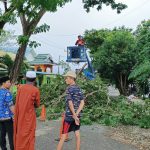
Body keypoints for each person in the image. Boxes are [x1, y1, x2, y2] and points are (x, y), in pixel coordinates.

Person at [57, 71, 85, 150]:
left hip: (69, 116)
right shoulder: (79, 89)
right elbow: (82, 103)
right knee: (77, 134)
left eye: (67, 78)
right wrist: (76, 115)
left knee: (63, 136)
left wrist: (73, 115)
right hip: (77, 116)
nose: (65, 79)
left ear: (72, 79)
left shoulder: (69, 89)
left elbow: (70, 103)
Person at [14, 71, 40, 150]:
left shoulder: (20, 88)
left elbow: (17, 101)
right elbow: (37, 104)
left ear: (25, 78)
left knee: (20, 132)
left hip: (19, 114)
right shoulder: (35, 90)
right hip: (29, 116)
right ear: (35, 79)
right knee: (29, 133)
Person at [0, 76, 15, 150]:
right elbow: (11, 106)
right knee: (11, 135)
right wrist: (16, 115)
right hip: (8, 118)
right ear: (3, 83)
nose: (10, 83)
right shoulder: (7, 93)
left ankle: (3, 148)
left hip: (1, 118)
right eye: (8, 82)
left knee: (2, 134)